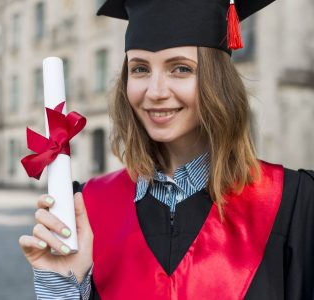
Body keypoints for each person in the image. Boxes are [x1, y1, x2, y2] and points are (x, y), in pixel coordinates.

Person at [19, 0, 314, 299]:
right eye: (140, 69)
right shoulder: (89, 206)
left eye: (181, 69)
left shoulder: (291, 203)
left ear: (217, 81)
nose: (156, 91)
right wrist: (64, 287)